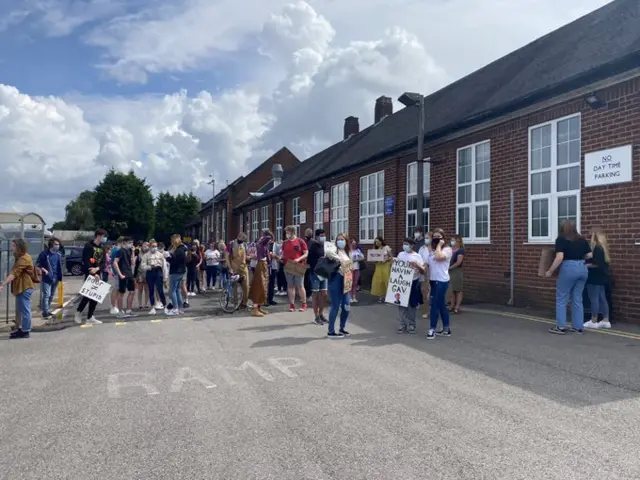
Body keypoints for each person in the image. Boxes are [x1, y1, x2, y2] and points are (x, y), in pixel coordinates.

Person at [545, 221, 591, 334]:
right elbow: (590, 255)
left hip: (569, 267)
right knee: (577, 299)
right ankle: (578, 327)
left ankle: (560, 327)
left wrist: (550, 271)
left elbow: (559, 257)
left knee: (562, 298)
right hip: (583, 268)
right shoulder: (582, 240)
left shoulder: (561, 239)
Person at [0, 238, 36, 339]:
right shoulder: (20, 257)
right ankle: (22, 329)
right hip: (21, 287)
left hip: (25, 287)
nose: (12, 248)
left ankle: (25, 331)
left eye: (14, 246)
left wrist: (3, 284)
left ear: (19, 247)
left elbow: (15, 273)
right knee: (21, 310)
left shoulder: (24, 258)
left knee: (25, 310)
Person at [74, 229, 108, 325]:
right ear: (99, 236)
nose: (104, 238)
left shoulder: (102, 247)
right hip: (90, 273)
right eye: (103, 236)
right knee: (88, 295)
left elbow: (103, 262)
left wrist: (98, 269)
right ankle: (78, 312)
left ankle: (90, 316)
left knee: (96, 297)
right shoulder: (89, 246)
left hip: (99, 272)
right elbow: (86, 260)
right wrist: (93, 272)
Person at [324, 233, 353, 338]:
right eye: (338, 239)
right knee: (335, 306)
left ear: (346, 241)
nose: (340, 241)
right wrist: (339, 259)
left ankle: (342, 328)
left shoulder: (347, 252)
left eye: (342, 239)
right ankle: (331, 331)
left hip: (346, 280)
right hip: (336, 279)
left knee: (346, 305)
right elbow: (327, 252)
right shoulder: (334, 250)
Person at [426, 229, 453, 340]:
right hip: (433, 280)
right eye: (435, 237)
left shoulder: (447, 249)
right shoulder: (432, 251)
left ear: (443, 238)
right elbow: (428, 263)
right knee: (441, 305)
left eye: (439, 236)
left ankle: (432, 329)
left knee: (435, 305)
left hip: (441, 281)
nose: (437, 238)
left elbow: (439, 257)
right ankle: (446, 329)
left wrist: (439, 245)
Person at [396, 238, 425, 334]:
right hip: (402, 282)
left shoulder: (417, 256)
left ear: (412, 245)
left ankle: (412, 324)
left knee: (412, 304)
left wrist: (417, 265)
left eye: (407, 244)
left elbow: (422, 271)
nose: (404, 246)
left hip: (413, 282)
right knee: (401, 304)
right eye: (403, 244)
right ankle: (402, 324)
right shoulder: (401, 254)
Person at [584, 229, 611, 329]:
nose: (590, 237)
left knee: (593, 298)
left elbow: (596, 264)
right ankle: (606, 320)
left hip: (594, 277)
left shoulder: (597, 249)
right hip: (602, 277)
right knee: (602, 298)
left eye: (591, 235)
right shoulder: (603, 249)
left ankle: (594, 320)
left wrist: (585, 265)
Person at [282, 225, 309, 312]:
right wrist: (278, 257)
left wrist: (299, 259)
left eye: (288, 232)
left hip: (298, 265)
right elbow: (283, 253)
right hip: (288, 266)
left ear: (293, 232)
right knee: (290, 286)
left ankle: (304, 304)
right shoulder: (285, 242)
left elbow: (306, 253)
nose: (286, 234)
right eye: (286, 232)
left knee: (300, 286)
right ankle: (292, 304)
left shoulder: (300, 241)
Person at [36, 237, 63, 319]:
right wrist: (44, 270)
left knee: (51, 295)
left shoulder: (59, 254)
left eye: (58, 244)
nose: (58, 246)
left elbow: (60, 266)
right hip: (47, 278)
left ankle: (47, 310)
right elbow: (38, 264)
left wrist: (60, 276)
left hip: (56, 277)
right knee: (46, 295)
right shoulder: (44, 254)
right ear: (51, 245)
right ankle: (45, 312)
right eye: (56, 244)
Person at [249, 229, 273, 317]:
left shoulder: (263, 245)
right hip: (261, 265)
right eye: (269, 241)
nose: (270, 242)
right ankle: (255, 309)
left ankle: (259, 307)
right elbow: (267, 238)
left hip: (264, 265)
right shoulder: (261, 243)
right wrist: (267, 235)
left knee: (264, 287)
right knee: (259, 286)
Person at [113, 237, 136, 319]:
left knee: (132, 292)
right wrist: (120, 274)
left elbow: (133, 263)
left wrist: (133, 252)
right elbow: (115, 262)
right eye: (130, 242)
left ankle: (129, 310)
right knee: (121, 293)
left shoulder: (129, 251)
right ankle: (120, 311)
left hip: (130, 274)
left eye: (132, 243)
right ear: (124, 242)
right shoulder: (120, 251)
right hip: (123, 274)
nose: (131, 244)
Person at [308, 229, 328, 325]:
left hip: (324, 273)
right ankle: (316, 316)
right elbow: (309, 261)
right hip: (315, 273)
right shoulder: (313, 246)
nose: (323, 237)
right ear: (317, 236)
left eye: (324, 235)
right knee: (315, 295)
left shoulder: (326, 246)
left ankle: (321, 314)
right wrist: (319, 260)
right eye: (321, 235)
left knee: (324, 294)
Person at [141, 240, 166, 314]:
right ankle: (152, 307)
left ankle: (165, 305)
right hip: (150, 272)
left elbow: (164, 266)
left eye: (155, 246)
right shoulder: (146, 255)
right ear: (149, 247)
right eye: (153, 246)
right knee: (151, 290)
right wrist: (149, 267)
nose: (154, 248)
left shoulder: (160, 255)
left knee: (160, 290)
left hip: (158, 272)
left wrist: (165, 276)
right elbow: (142, 266)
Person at [226, 232, 250, 309]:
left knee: (246, 286)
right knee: (235, 287)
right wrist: (230, 268)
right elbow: (227, 257)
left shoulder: (245, 245)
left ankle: (244, 303)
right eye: (242, 239)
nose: (243, 241)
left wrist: (251, 257)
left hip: (243, 268)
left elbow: (246, 256)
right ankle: (236, 304)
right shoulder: (231, 244)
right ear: (238, 237)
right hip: (234, 268)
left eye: (244, 239)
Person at [166, 234, 188, 316]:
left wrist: (167, 258)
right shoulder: (184, 248)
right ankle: (180, 308)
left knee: (172, 290)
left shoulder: (178, 250)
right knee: (177, 290)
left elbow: (174, 261)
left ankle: (175, 308)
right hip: (182, 271)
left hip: (175, 271)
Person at [370, 236, 393, 302]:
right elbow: (372, 259)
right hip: (378, 266)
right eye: (376, 241)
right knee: (379, 281)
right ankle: (381, 296)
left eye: (378, 241)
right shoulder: (375, 249)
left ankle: (389, 296)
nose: (377, 242)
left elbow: (391, 256)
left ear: (381, 241)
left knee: (387, 280)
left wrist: (385, 260)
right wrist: (374, 261)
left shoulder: (386, 247)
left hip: (386, 266)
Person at [448, 234, 465, 313]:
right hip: (449, 272)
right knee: (451, 289)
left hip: (456, 271)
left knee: (457, 289)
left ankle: (457, 306)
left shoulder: (460, 250)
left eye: (453, 240)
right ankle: (451, 305)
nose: (452, 242)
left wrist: (449, 267)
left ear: (458, 241)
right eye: (451, 240)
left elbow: (458, 262)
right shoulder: (449, 249)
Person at [418, 231, 432, 319]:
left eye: (428, 238)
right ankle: (427, 311)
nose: (426, 240)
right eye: (425, 238)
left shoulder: (436, 248)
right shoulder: (422, 248)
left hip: (433, 272)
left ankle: (433, 310)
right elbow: (419, 259)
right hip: (423, 272)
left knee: (432, 293)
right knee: (424, 292)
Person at [109, 237, 123, 315]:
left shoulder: (115, 250)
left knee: (117, 289)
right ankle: (114, 305)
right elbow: (114, 262)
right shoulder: (117, 250)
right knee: (116, 289)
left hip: (116, 271)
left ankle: (114, 305)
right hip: (117, 272)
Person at [135, 241, 150, 309]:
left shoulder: (150, 254)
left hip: (147, 272)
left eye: (146, 246)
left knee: (147, 289)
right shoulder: (138, 254)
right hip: (140, 273)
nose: (145, 247)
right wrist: (135, 275)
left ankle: (146, 303)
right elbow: (136, 264)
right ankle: (140, 304)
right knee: (140, 289)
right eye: (144, 246)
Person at [349, 239, 364, 304]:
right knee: (350, 284)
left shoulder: (358, 251)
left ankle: (354, 297)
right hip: (350, 269)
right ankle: (349, 297)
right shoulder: (348, 251)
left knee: (355, 283)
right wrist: (353, 260)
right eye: (353, 243)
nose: (354, 245)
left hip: (356, 268)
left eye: (355, 243)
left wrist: (356, 260)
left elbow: (363, 257)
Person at [303, 228, 314, 302]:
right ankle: (308, 294)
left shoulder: (304, 242)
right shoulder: (312, 242)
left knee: (305, 279)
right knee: (308, 279)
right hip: (308, 263)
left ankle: (306, 295)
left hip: (305, 263)